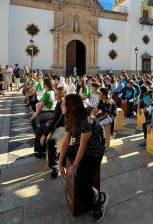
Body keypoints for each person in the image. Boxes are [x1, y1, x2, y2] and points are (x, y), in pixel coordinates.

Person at [58, 94, 108, 222]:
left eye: (64, 103)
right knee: (62, 156)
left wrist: (75, 165)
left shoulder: (86, 120)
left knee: (81, 187)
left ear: (72, 107)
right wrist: (59, 164)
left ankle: (99, 200)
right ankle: (80, 180)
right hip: (81, 147)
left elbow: (83, 146)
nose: (61, 105)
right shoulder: (70, 116)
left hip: (93, 152)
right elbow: (66, 140)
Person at [34, 87, 66, 178]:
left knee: (51, 142)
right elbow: (56, 117)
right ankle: (41, 151)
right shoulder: (59, 101)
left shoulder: (64, 103)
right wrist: (51, 120)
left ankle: (55, 166)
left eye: (56, 94)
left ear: (63, 94)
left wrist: (45, 134)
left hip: (62, 127)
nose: (55, 95)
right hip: (56, 124)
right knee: (39, 130)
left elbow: (59, 121)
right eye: (55, 93)